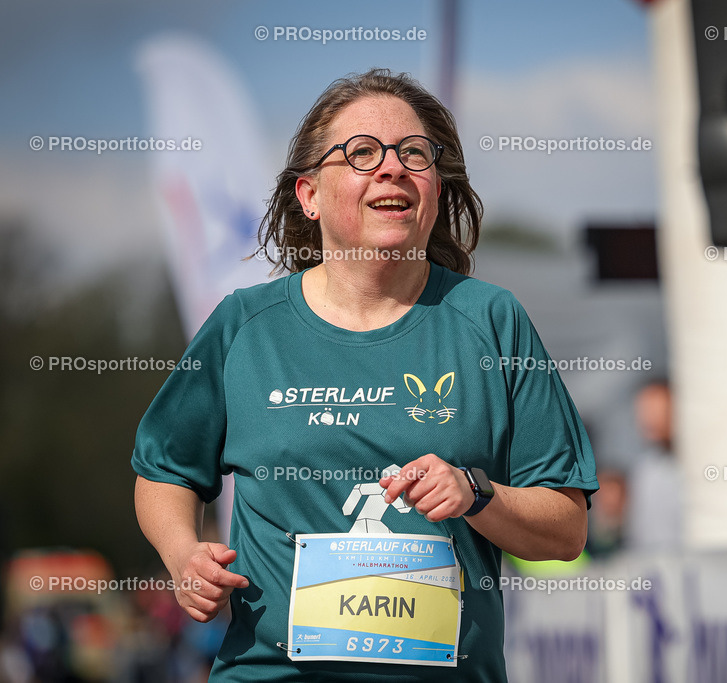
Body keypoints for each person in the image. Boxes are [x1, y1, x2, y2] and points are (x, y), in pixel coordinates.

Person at [132, 68, 598, 682]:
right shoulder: (247, 324)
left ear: (435, 188)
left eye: (414, 154)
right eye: (361, 153)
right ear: (310, 194)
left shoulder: (492, 320)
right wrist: (183, 554)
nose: (392, 168)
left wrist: (478, 493)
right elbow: (165, 470)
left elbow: (565, 530)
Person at [624, 379, 685, 552]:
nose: (646, 419)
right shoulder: (645, 468)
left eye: (655, 410)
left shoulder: (697, 467)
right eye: (642, 411)